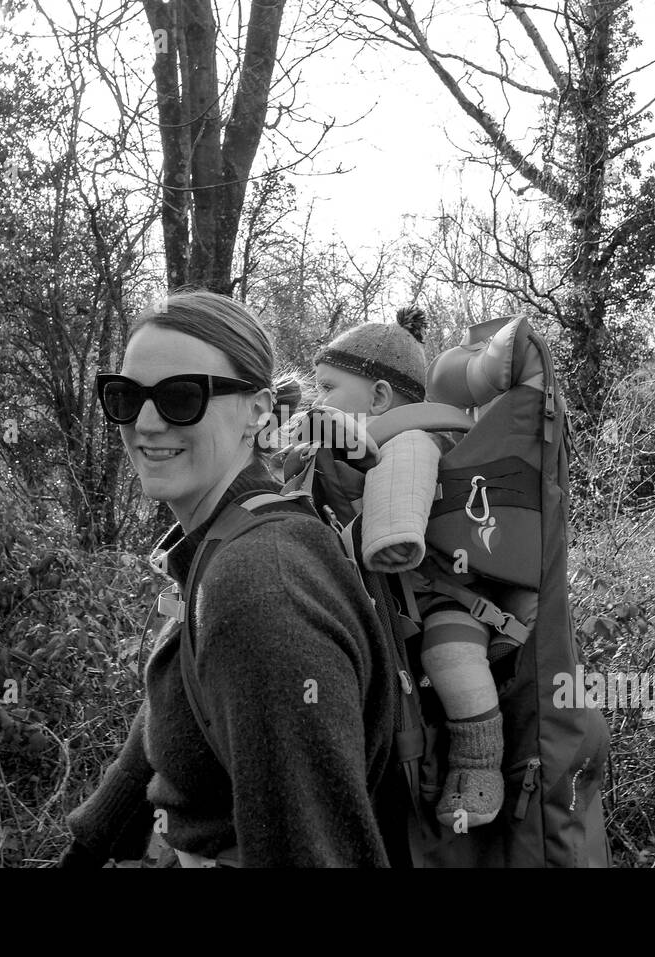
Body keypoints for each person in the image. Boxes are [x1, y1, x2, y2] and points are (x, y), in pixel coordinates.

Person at [60, 289, 402, 867]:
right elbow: (178, 700)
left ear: (259, 411)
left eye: (181, 397)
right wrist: (89, 846)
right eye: (125, 395)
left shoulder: (259, 586)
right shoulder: (224, 541)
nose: (145, 422)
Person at [308, 307, 505, 828]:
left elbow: (397, 484)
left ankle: (479, 765)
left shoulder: (414, 439)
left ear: (378, 397)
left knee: (454, 659)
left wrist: (392, 540)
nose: (319, 400)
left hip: (446, 594)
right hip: (383, 604)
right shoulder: (340, 445)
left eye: (328, 387)